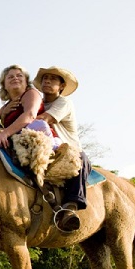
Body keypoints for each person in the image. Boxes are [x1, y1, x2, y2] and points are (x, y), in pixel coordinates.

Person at [33, 66, 91, 232]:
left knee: (79, 160)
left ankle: (71, 206)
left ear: (62, 86)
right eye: (45, 78)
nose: (47, 81)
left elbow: (43, 120)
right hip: (43, 149)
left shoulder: (64, 103)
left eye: (53, 79)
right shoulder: (38, 103)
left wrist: (13, 126)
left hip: (67, 149)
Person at [0, 65, 58, 148]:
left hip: (41, 139)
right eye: (10, 77)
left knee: (39, 124)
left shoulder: (31, 93)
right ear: (4, 85)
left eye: (19, 75)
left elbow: (30, 115)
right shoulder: (6, 106)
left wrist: (5, 133)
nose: (15, 78)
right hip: (17, 142)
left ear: (26, 82)